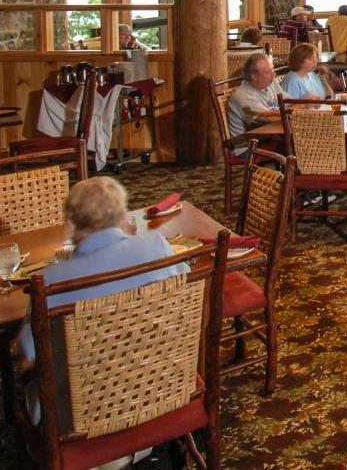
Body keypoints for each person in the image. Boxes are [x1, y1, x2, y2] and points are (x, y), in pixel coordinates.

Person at [18, 177, 187, 365]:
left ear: (70, 224)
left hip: (84, 388)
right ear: (123, 216)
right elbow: (186, 290)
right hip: (161, 372)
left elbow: (30, 351)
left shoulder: (49, 280)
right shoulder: (156, 245)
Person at [228, 53, 284, 138]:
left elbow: (290, 102)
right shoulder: (243, 96)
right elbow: (271, 118)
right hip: (248, 147)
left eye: (273, 70)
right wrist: (301, 111)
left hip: (269, 137)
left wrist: (304, 105)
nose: (274, 75)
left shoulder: (271, 83)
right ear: (254, 76)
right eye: (268, 72)